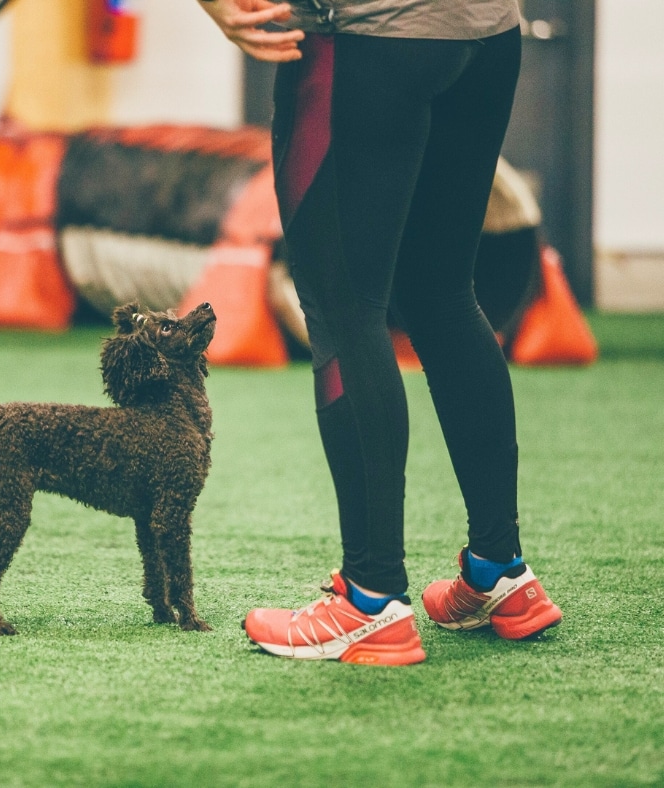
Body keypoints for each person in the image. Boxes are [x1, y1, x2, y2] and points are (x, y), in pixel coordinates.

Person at [197, 0, 562, 664]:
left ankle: (370, 600)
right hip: (486, 33)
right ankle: (499, 569)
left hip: (366, 36)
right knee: (442, 292)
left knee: (344, 309)